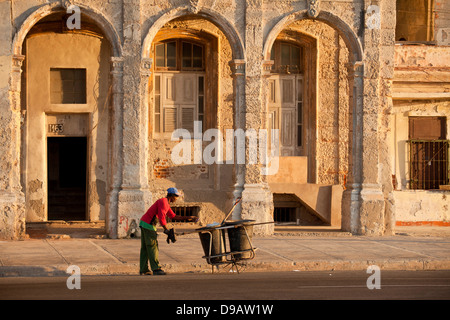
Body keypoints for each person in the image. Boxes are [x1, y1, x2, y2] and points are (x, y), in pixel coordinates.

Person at [139, 187, 197, 275]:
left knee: (145, 248)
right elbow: (162, 218)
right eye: (176, 196)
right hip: (148, 225)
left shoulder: (166, 203)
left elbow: (174, 216)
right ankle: (156, 269)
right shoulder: (163, 202)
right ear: (172, 196)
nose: (177, 198)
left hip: (144, 223)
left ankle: (144, 269)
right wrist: (166, 230)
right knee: (152, 246)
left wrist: (189, 218)